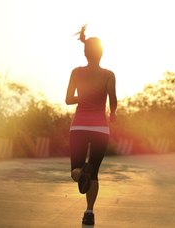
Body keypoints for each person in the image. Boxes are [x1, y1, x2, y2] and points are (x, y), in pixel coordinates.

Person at [66, 25, 117, 226]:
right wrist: (112, 114)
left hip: (78, 127)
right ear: (102, 53)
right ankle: (89, 212)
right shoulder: (108, 75)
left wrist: (83, 97)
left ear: (85, 53)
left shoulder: (76, 72)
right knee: (94, 172)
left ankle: (81, 173)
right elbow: (113, 98)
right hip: (100, 129)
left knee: (75, 171)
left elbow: (68, 99)